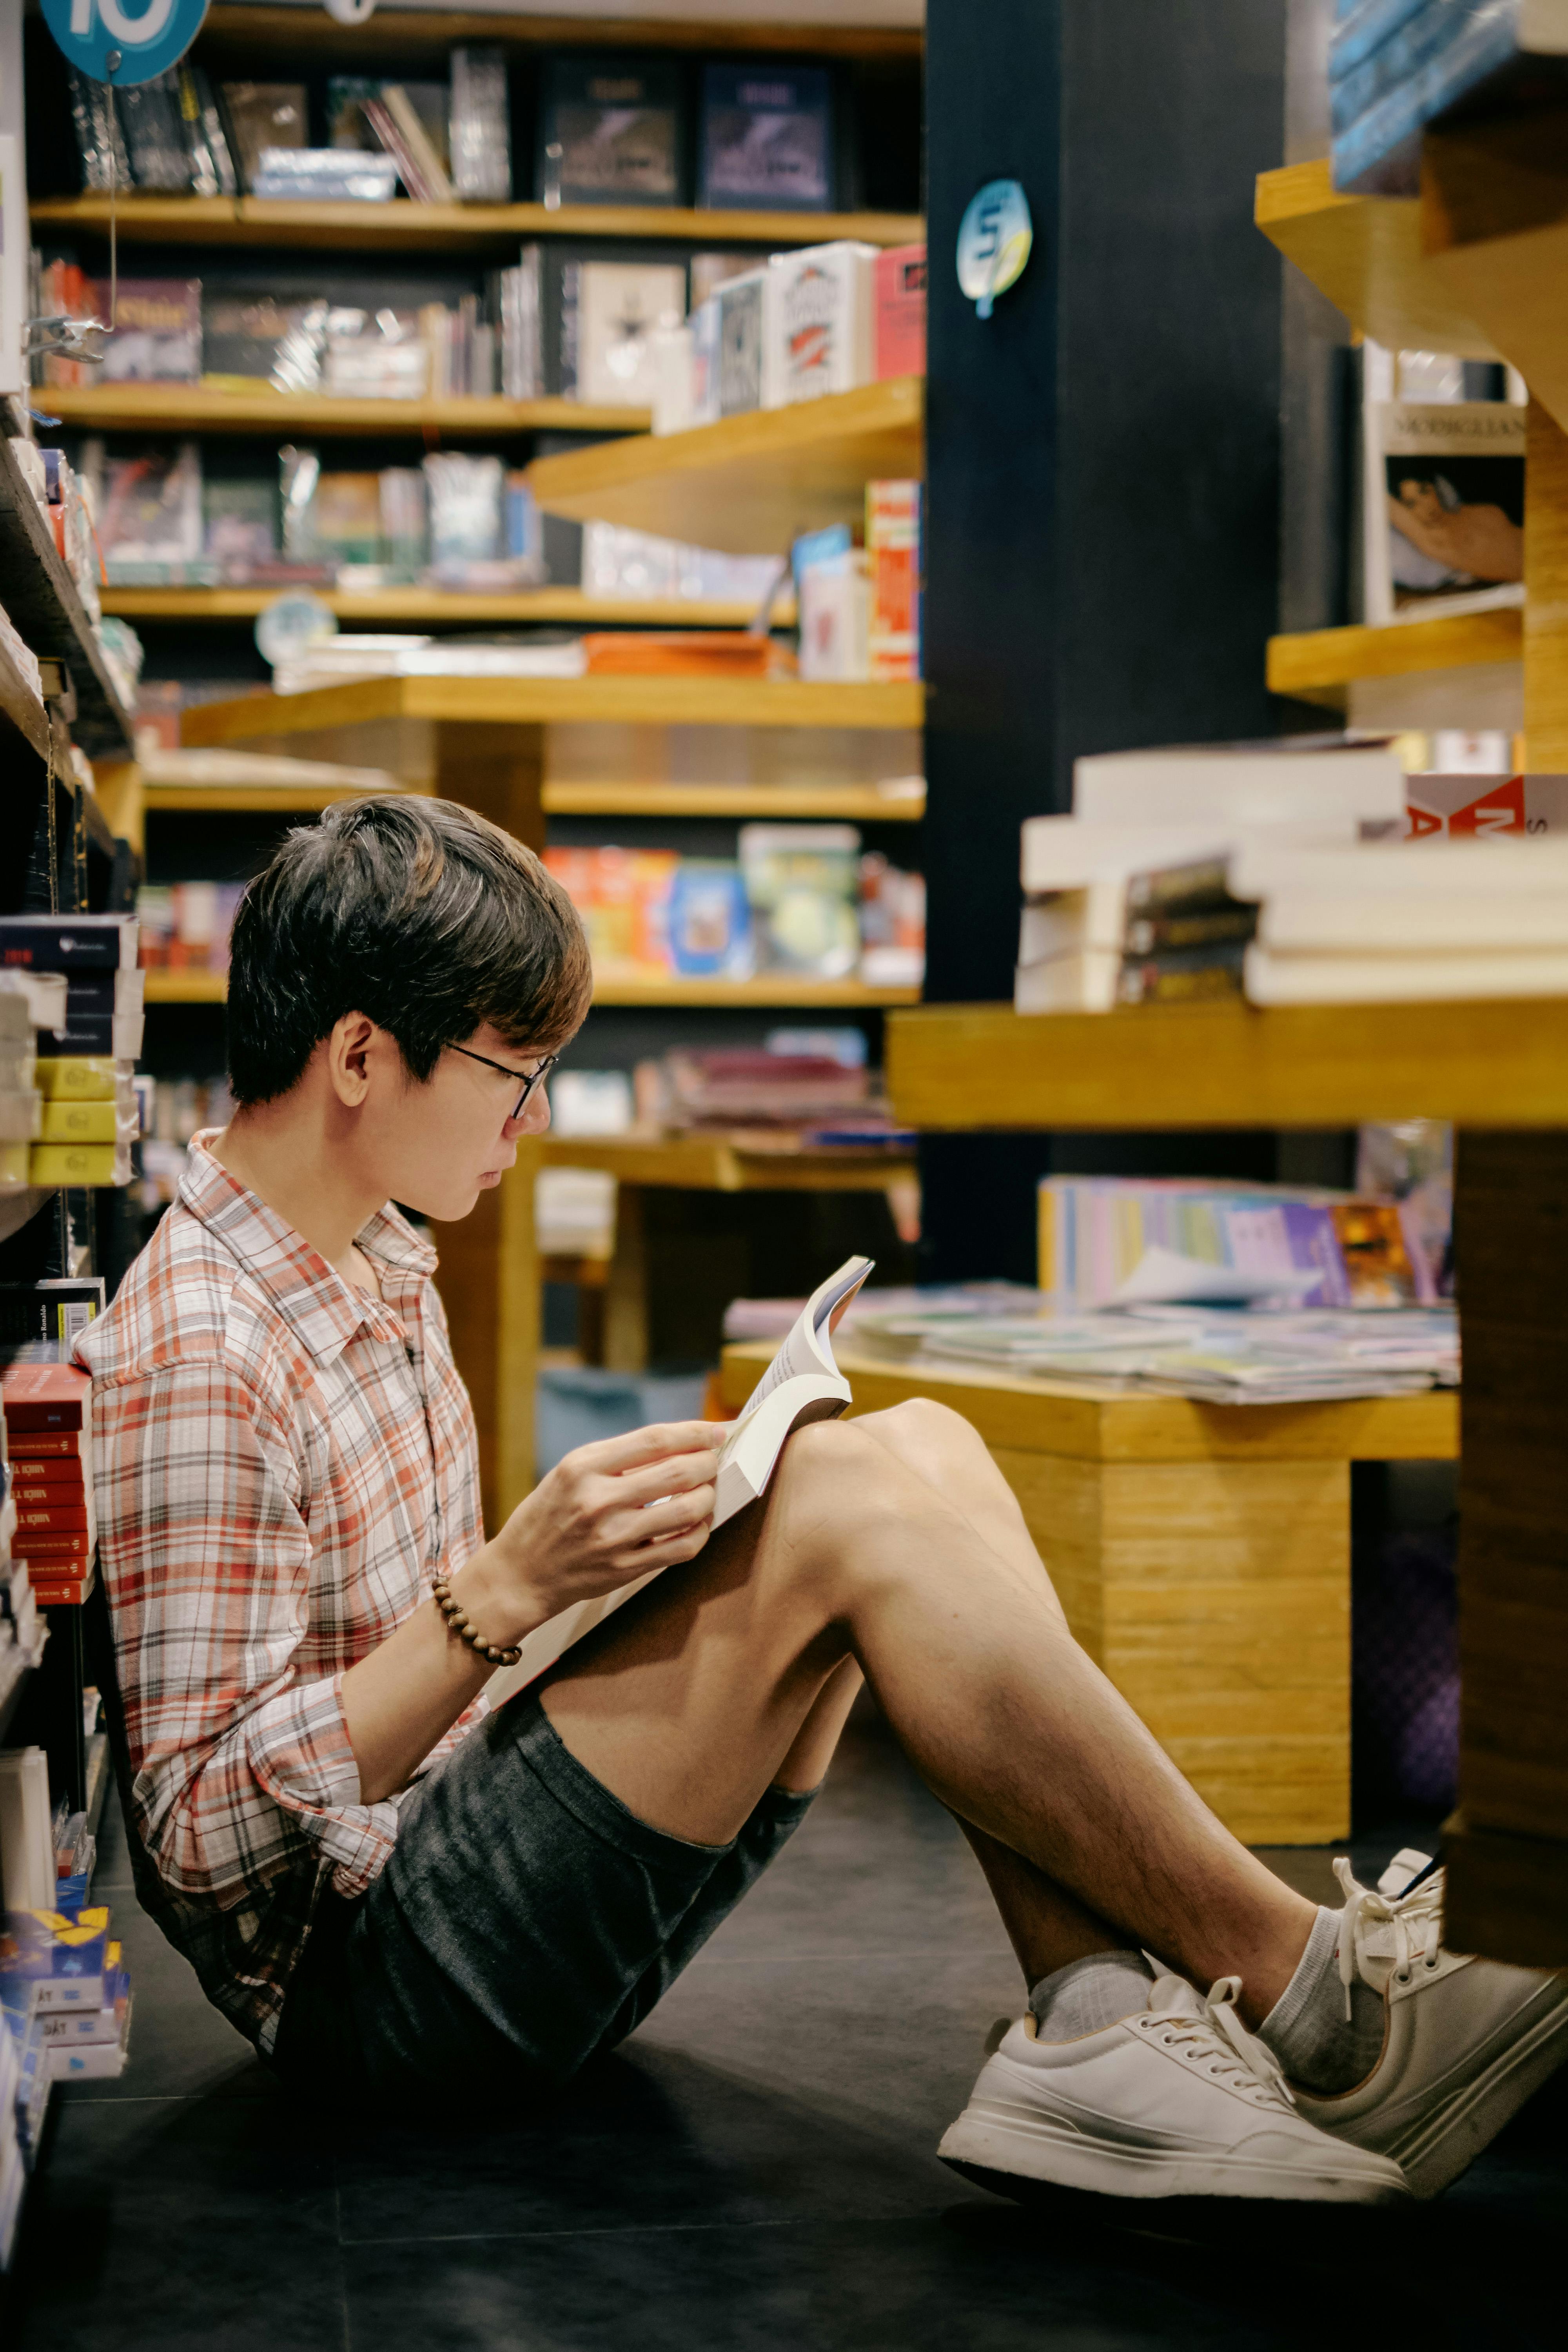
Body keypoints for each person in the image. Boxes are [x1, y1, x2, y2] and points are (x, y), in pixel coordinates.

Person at [79, 797, 1567, 2208]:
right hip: (377, 1995)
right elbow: (206, 1841)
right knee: (846, 1499)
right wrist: (508, 1595)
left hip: (455, 1854)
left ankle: (1095, 2011)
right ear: (357, 1056)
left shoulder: (374, 1255)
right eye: (512, 1073)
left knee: (921, 1444)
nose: (530, 1121)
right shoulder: (199, 1344)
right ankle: (1321, 2007)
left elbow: (408, 1660)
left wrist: (612, 1562)